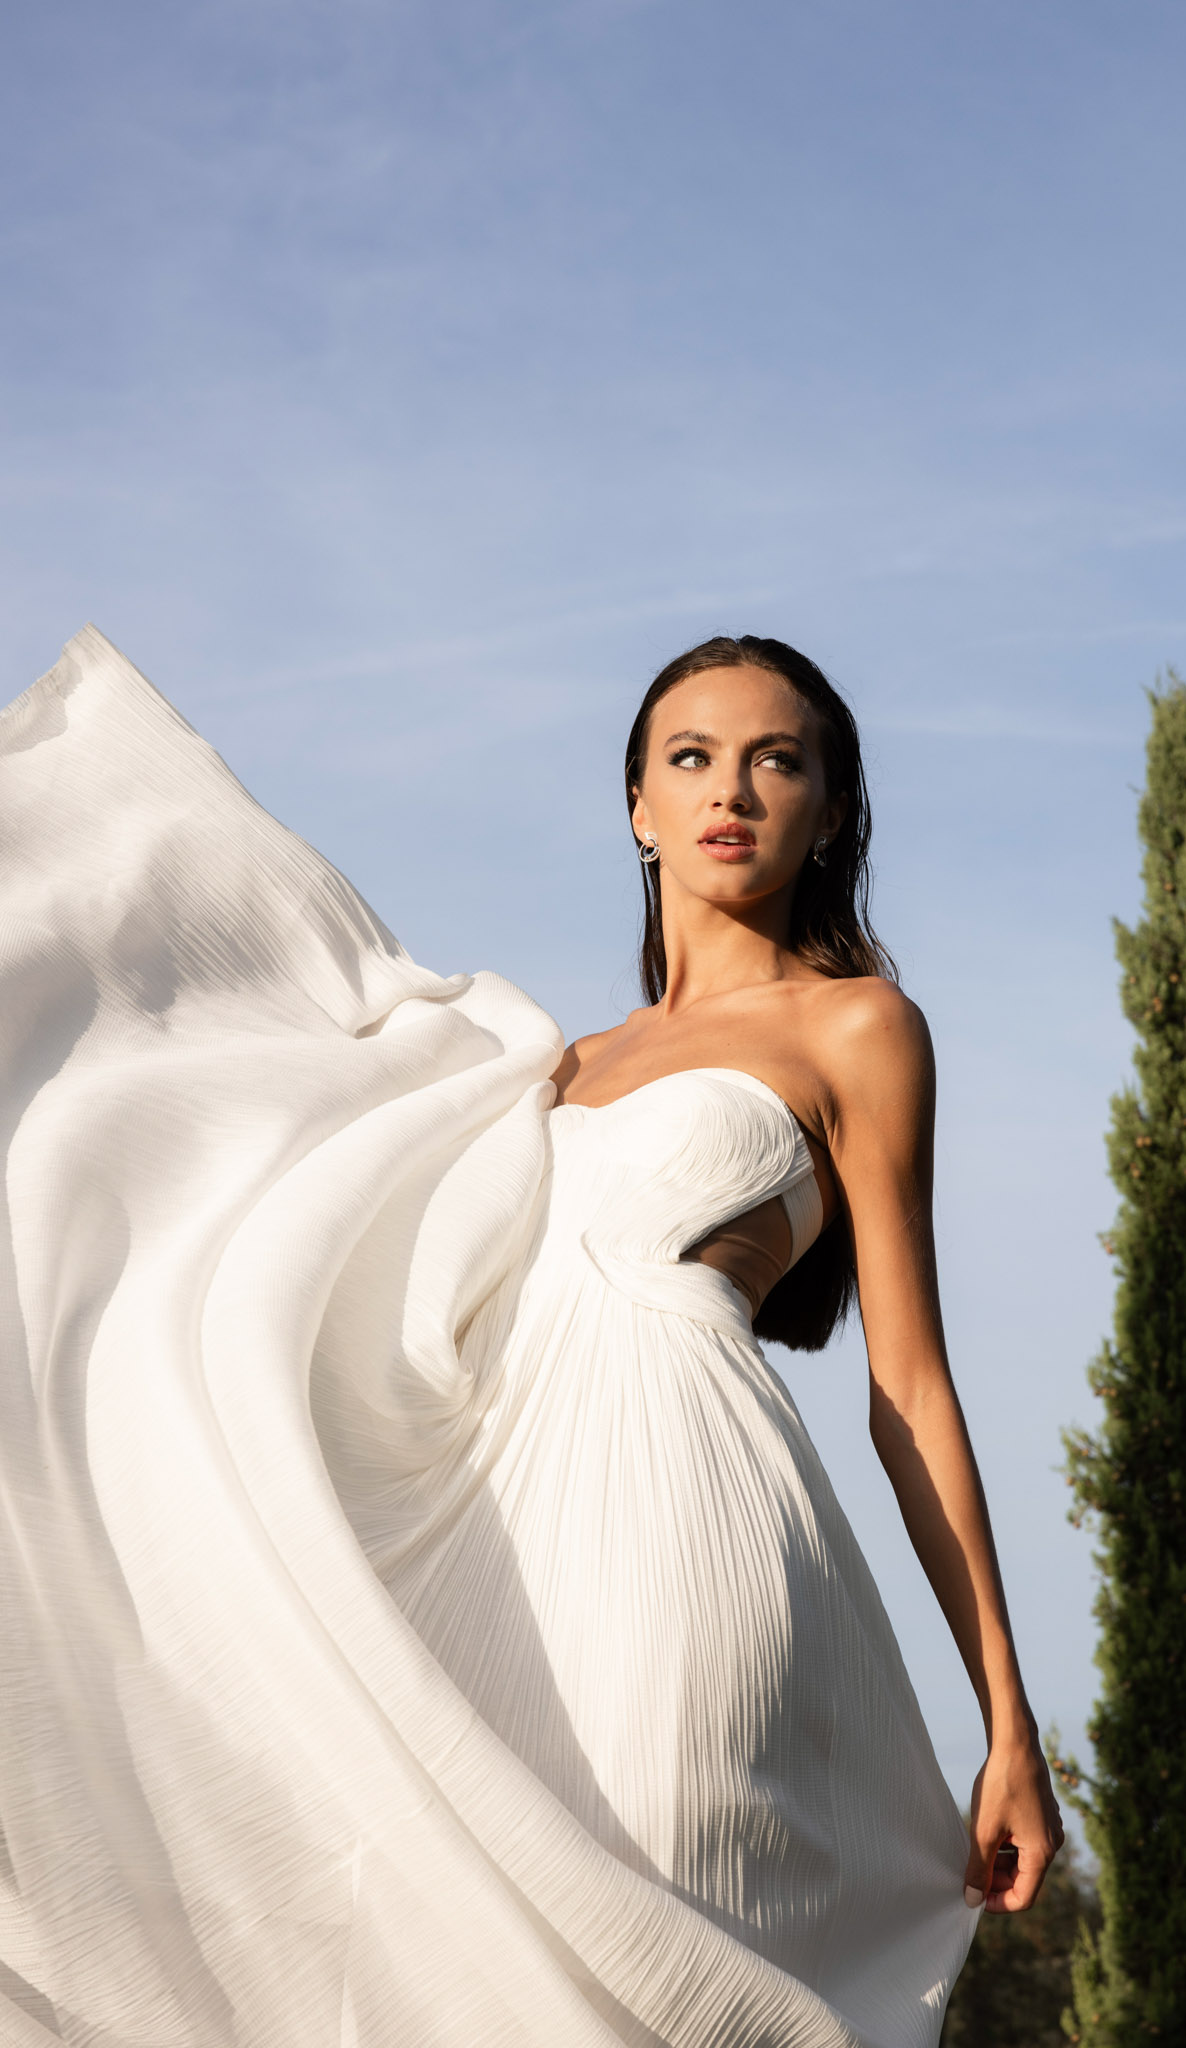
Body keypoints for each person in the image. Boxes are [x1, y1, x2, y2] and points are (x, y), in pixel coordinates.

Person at [0, 626, 1059, 2048]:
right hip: (497, 1518)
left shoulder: (857, 1028)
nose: (728, 789)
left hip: (694, 1506)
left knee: (668, 1906)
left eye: (774, 760)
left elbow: (909, 1391)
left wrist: (1007, 1721)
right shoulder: (548, 1065)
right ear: (639, 807)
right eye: (690, 759)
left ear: (828, 809)